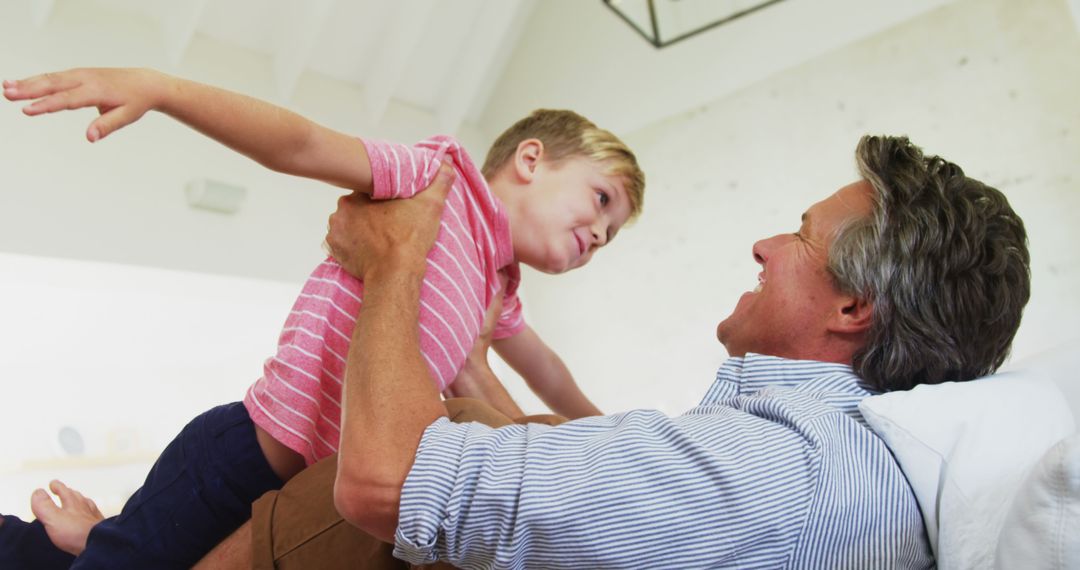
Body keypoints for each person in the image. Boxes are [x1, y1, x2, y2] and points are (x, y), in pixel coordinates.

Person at [191, 133, 1027, 569]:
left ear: (854, 306)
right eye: (594, 201)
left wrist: (393, 262)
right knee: (496, 418)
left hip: (300, 484)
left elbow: (389, 482)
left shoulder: (769, 478)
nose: (765, 246)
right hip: (247, 444)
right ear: (528, 162)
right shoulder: (848, 460)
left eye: (801, 236)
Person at [0, 68, 645, 569]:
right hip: (243, 457)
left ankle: (85, 543)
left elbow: (548, 376)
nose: (598, 234)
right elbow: (301, 143)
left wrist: (627, 449)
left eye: (611, 234)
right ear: (531, 160)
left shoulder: (498, 289)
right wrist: (164, 90)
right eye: (600, 201)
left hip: (294, 503)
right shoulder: (434, 180)